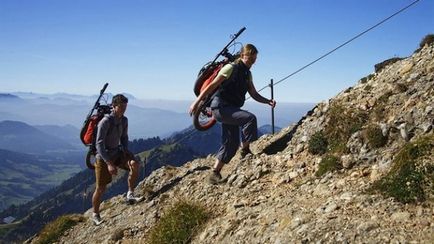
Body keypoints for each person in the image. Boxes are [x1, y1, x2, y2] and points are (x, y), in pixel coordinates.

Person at [189, 44, 276, 184]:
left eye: (254, 60)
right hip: (220, 108)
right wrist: (196, 102)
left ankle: (214, 173)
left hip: (231, 109)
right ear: (242, 55)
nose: (252, 63)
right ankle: (246, 150)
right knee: (250, 118)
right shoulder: (231, 68)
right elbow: (213, 86)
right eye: (250, 59)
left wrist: (267, 101)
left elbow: (253, 93)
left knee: (231, 143)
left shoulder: (248, 73)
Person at [91, 94, 143, 225]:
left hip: (117, 153)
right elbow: (99, 144)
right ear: (114, 107)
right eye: (121, 107)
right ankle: (95, 215)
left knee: (134, 164)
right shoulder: (105, 122)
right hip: (103, 158)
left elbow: (124, 137)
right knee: (101, 188)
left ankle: (130, 195)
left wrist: (126, 151)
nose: (124, 109)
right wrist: (109, 163)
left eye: (125, 106)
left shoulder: (124, 120)